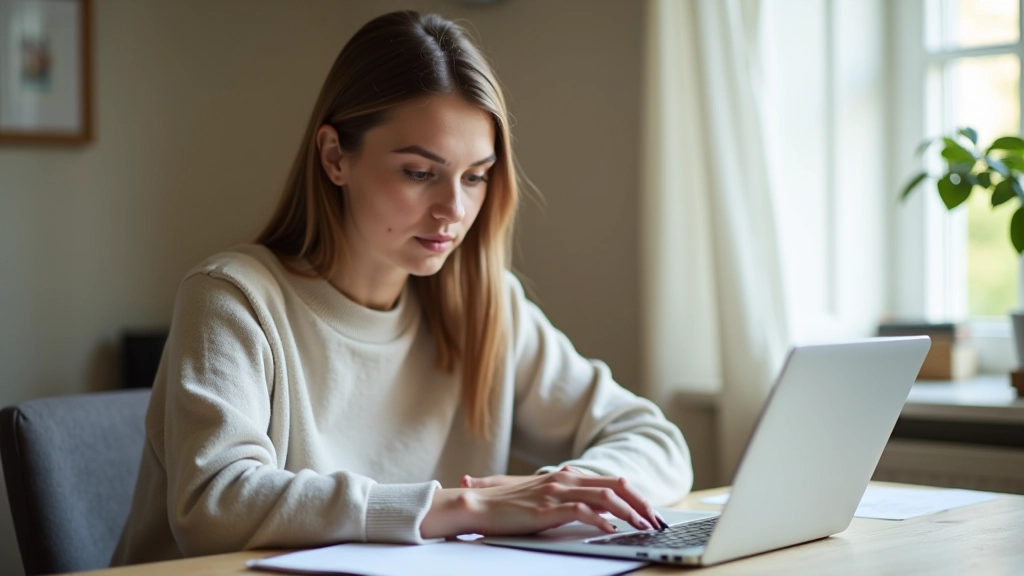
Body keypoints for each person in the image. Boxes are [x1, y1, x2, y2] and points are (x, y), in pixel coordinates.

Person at [112, 10, 692, 566]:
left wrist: (565, 491)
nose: (454, 209)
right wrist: (467, 507)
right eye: (420, 173)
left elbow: (656, 441)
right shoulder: (232, 299)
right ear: (335, 156)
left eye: (476, 177)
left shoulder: (485, 304)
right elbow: (215, 505)